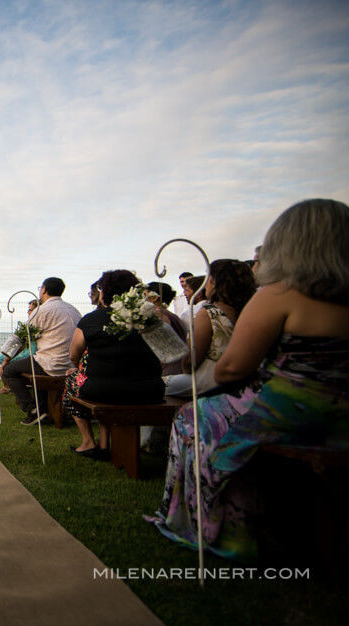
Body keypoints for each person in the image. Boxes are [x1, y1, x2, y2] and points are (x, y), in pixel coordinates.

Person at [148, 199, 349, 561]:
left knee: (193, 417)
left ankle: (220, 527)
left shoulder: (279, 294)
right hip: (341, 417)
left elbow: (231, 370)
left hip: (292, 414)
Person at [64, 269, 165, 459]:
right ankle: (103, 445)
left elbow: (73, 355)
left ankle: (88, 442)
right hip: (150, 390)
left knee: (72, 382)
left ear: (105, 293)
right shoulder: (147, 318)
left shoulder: (91, 320)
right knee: (104, 382)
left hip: (103, 390)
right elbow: (165, 352)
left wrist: (81, 367)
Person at [164, 260, 256, 397]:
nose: (205, 284)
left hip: (209, 383)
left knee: (158, 385)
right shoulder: (252, 311)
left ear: (216, 283)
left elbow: (191, 362)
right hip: (242, 382)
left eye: (208, 278)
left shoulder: (210, 313)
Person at [2, 278, 82, 425]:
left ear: (44, 289)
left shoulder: (42, 310)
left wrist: (6, 359)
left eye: (40, 288)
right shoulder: (74, 310)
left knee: (8, 371)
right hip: (72, 366)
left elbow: (22, 337)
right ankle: (42, 410)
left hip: (51, 364)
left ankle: (33, 410)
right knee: (34, 364)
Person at [0, 299, 38, 394]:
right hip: (26, 349)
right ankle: (7, 386)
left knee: (9, 363)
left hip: (32, 350)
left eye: (30, 310)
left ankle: (14, 386)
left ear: (35, 311)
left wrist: (7, 359)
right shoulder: (29, 323)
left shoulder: (36, 323)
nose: (28, 312)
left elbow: (21, 345)